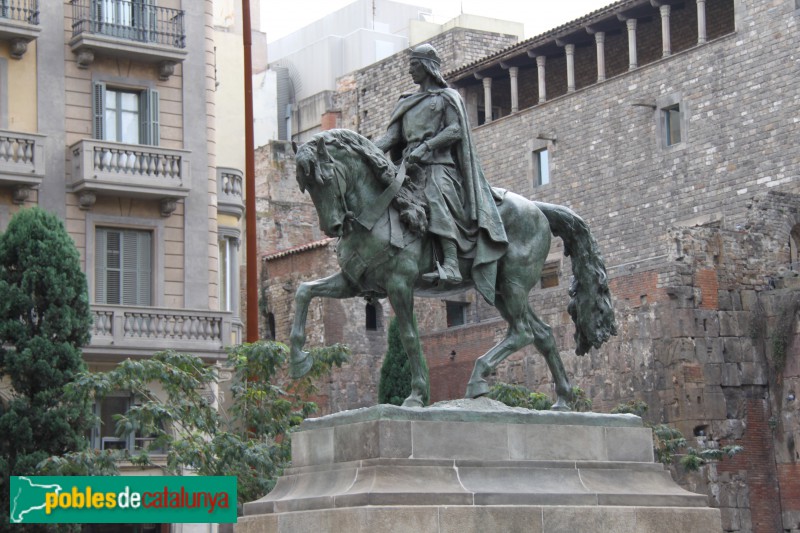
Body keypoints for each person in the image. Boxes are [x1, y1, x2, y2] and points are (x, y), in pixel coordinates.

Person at [374, 43, 507, 302]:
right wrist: (365, 149)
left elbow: (456, 129)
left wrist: (427, 146)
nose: (411, 71)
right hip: (408, 166)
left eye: (414, 65)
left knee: (434, 194)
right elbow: (392, 136)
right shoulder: (406, 102)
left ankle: (451, 264)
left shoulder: (447, 98)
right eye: (411, 66)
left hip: (439, 165)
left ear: (426, 67)